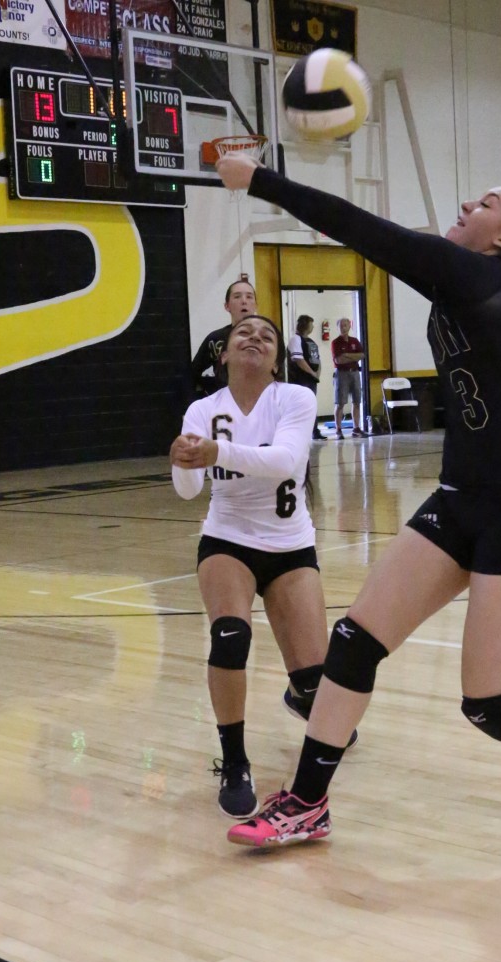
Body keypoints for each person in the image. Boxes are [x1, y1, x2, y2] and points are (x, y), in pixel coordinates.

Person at [215, 155, 501, 848]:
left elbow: (366, 231)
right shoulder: (474, 275)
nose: (471, 203)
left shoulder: (481, 277)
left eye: (488, 202)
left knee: (489, 703)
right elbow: (384, 236)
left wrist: (261, 181)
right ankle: (307, 803)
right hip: (459, 501)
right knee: (354, 642)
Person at [170, 314, 356, 819]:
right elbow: (188, 492)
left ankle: (301, 694)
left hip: (290, 547)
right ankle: (234, 761)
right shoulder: (202, 410)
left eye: (267, 336)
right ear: (224, 353)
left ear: (276, 358)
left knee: (318, 681)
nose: (254, 339)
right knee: (230, 637)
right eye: (243, 334)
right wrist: (182, 463)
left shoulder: (293, 399)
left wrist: (214, 451)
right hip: (227, 540)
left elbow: (284, 461)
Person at [190, 279, 257, 396]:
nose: (244, 301)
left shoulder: (267, 337)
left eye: (249, 297)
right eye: (237, 297)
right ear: (227, 306)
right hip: (225, 405)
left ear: (256, 305)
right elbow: (192, 372)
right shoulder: (215, 339)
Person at [287, 314, 326, 441]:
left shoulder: (311, 342)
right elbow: (299, 360)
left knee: (311, 404)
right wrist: (311, 372)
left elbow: (317, 360)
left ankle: (314, 430)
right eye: (311, 324)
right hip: (300, 379)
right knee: (301, 405)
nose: (313, 326)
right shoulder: (295, 339)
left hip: (311, 379)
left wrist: (317, 373)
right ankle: (300, 432)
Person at [331, 318, 367, 439]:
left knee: (357, 401)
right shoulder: (335, 342)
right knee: (340, 403)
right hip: (342, 374)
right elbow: (338, 360)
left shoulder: (354, 341)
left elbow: (362, 355)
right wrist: (353, 357)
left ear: (349, 326)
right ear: (338, 327)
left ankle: (356, 428)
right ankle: (338, 429)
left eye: (346, 325)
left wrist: (347, 355)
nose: (343, 327)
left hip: (355, 373)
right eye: (341, 325)